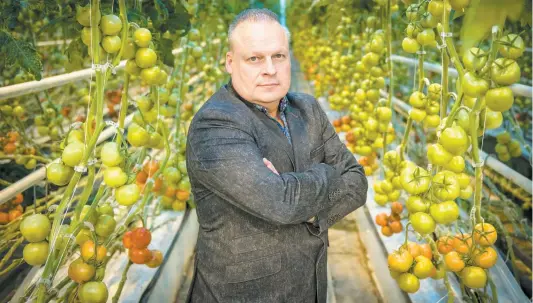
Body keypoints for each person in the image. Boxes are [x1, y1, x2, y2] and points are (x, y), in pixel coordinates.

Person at [185, 8, 368, 303]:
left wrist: (308, 209)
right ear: (231, 63)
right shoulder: (216, 124)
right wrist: (328, 173)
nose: (270, 69)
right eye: (254, 58)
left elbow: (358, 184)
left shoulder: (307, 109)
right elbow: (282, 203)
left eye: (278, 56)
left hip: (310, 287)